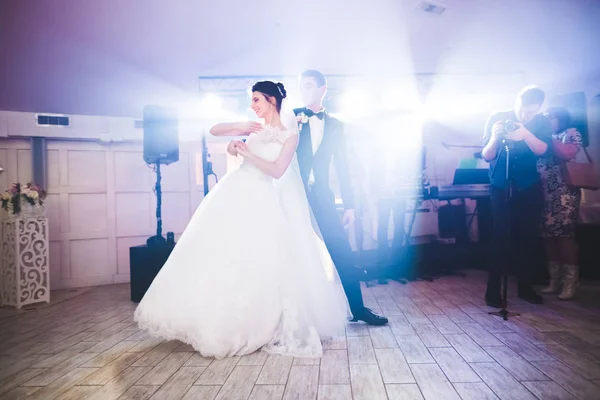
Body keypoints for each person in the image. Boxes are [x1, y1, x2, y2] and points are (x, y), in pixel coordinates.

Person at [134, 81, 350, 359]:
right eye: (252, 101)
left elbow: (277, 170)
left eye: (257, 100)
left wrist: (247, 152)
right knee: (220, 254)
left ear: (272, 100)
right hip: (234, 191)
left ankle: (254, 323)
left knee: (255, 258)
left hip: (262, 198)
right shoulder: (255, 126)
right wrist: (238, 138)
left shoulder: (289, 136)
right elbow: (214, 130)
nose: (253, 106)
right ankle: (211, 316)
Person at [265, 70, 387, 325]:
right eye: (301, 86)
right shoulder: (290, 117)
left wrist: (351, 205)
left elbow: (343, 167)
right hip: (290, 193)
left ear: (323, 90)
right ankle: (278, 315)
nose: (304, 89)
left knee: (342, 250)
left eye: (309, 85)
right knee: (283, 249)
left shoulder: (336, 125)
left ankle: (358, 309)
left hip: (322, 196)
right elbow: (267, 140)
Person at [481, 85, 552, 307]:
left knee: (528, 238)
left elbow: (543, 150)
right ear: (516, 101)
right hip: (501, 185)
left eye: (531, 112)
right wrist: (494, 136)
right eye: (523, 110)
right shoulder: (497, 117)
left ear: (538, 109)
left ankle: (526, 287)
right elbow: (486, 155)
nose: (525, 115)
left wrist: (527, 134)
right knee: (500, 237)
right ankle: (493, 291)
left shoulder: (541, 122)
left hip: (528, 186)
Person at [538, 107, 583, 300]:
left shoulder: (571, 133)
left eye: (551, 117)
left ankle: (570, 282)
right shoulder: (541, 138)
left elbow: (567, 153)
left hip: (565, 193)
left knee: (564, 235)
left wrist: (548, 137)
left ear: (561, 118)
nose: (547, 120)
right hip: (544, 193)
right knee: (548, 236)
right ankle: (554, 280)